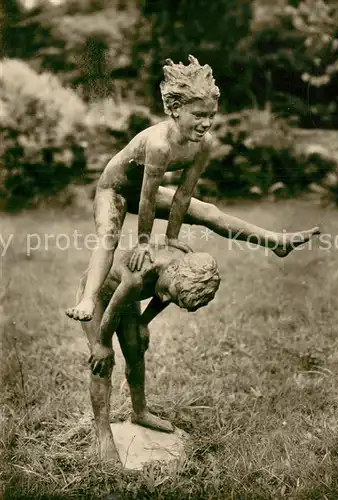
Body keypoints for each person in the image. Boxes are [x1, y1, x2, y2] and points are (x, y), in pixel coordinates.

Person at [66, 55, 320, 323]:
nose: (206, 123)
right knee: (109, 236)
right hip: (115, 190)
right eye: (198, 115)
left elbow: (183, 194)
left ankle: (274, 241)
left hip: (142, 191)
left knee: (208, 211)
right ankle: (88, 299)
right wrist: (143, 242)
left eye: (211, 115)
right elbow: (147, 197)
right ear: (175, 108)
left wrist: (172, 237)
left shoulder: (203, 143)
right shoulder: (159, 145)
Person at [74, 243, 220, 462]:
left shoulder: (181, 266)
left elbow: (163, 295)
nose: (168, 300)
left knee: (135, 351)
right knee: (102, 361)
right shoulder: (137, 277)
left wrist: (143, 322)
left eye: (175, 300)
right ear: (171, 271)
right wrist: (103, 344)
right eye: (172, 295)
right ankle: (103, 432)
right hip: (99, 299)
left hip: (125, 297)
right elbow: (113, 310)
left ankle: (140, 411)